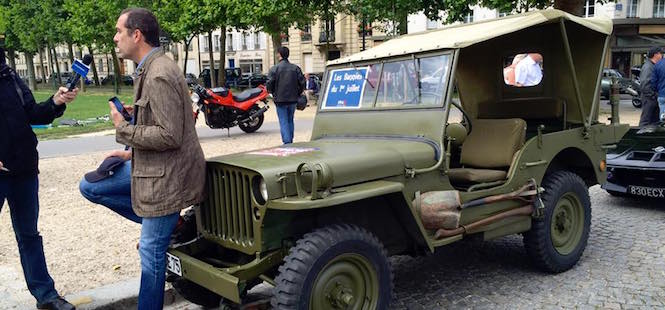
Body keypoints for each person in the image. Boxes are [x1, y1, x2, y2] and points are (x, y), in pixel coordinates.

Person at [109, 8, 206, 309]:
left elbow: (169, 135)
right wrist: (129, 148)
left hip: (167, 180)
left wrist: (123, 129)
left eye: (119, 31)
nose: (115, 38)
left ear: (136, 35)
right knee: (92, 186)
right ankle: (169, 224)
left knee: (150, 252)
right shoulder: (149, 68)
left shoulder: (159, 73)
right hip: (153, 171)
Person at [0, 35, 78, 310]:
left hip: (23, 170)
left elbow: (34, 114)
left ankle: (46, 296)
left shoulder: (8, 74)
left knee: (29, 235)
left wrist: (56, 102)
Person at [267, 46, 306, 144]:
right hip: (293, 99)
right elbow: (302, 82)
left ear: (279, 55)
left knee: (283, 121)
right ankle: (290, 140)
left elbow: (269, 83)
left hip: (280, 99)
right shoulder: (295, 68)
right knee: (290, 120)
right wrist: (298, 93)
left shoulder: (274, 69)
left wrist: (272, 93)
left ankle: (287, 142)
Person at [638, 47, 663, 126]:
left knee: (654, 121)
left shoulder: (653, 66)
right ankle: (641, 137)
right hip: (649, 99)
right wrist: (653, 96)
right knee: (646, 120)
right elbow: (645, 84)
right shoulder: (648, 67)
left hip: (653, 98)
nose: (662, 56)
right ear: (656, 55)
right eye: (660, 53)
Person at [651, 49, 665, 122]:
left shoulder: (658, 64)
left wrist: (657, 90)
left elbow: (653, 82)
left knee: (662, 115)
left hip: (662, 95)